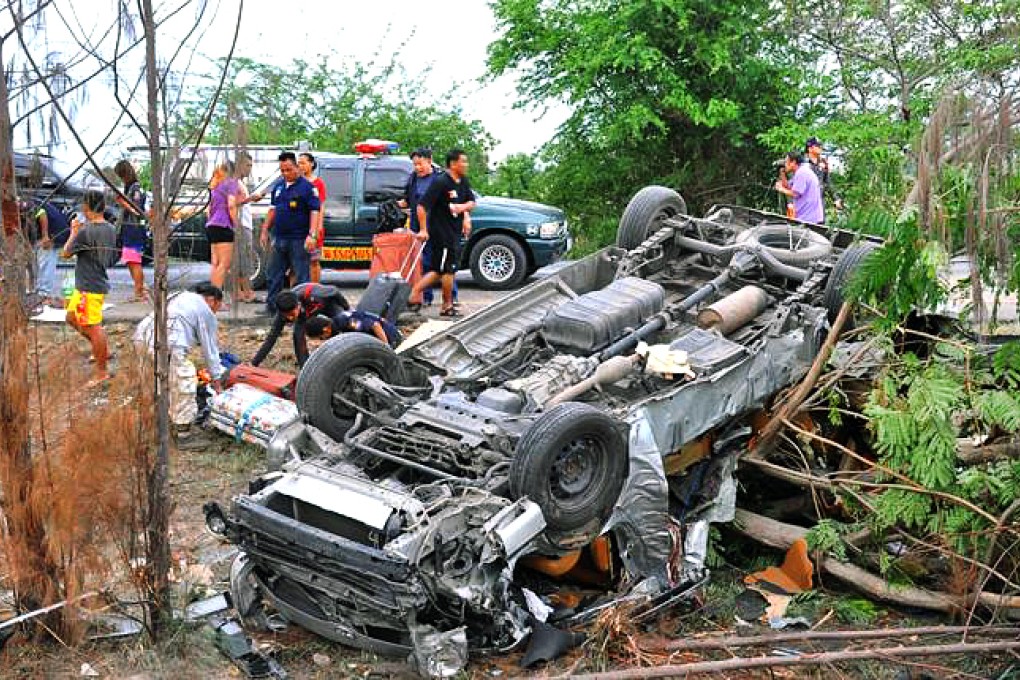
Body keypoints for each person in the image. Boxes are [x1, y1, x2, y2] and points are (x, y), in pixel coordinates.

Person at [134, 283, 226, 433]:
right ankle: (183, 432)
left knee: (153, 383)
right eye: (217, 307)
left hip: (141, 336)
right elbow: (210, 349)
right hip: (169, 343)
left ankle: (154, 424)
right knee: (183, 383)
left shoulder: (177, 296)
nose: (215, 312)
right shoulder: (204, 308)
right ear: (212, 300)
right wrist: (217, 381)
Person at [61, 190, 119, 385]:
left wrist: (74, 232)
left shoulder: (85, 231)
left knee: (92, 327)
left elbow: (66, 253)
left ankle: (101, 372)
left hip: (89, 285)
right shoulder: (110, 228)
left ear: (87, 207)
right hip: (92, 283)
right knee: (71, 317)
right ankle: (100, 349)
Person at [412, 149, 475, 317]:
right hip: (441, 232)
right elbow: (421, 206)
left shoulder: (462, 181)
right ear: (453, 164)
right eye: (463, 161)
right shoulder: (441, 182)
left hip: (454, 231)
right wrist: (424, 229)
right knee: (447, 270)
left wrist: (463, 210)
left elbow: (471, 201)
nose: (466, 165)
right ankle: (444, 305)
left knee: (442, 270)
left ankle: (414, 294)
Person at [260, 151, 321, 314]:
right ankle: (272, 308)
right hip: (279, 237)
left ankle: (303, 310)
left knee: (301, 277)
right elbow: (272, 209)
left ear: (297, 167)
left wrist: (312, 235)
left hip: (299, 239)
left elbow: (315, 211)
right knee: (274, 274)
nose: (285, 173)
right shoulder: (278, 187)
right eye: (282, 170)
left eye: (288, 169)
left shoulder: (308, 188)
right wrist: (265, 230)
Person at [400, 147, 457, 309]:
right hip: (418, 227)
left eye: (420, 164)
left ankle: (451, 297)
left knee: (444, 265)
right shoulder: (413, 179)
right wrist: (395, 204)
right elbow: (408, 201)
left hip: (439, 227)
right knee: (423, 263)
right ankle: (426, 296)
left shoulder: (441, 179)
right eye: (415, 164)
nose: (417, 168)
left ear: (430, 161)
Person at [251, 282, 350, 367]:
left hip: (328, 304)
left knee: (342, 324)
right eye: (286, 316)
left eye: (291, 314)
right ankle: (305, 366)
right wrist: (254, 363)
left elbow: (335, 291)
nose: (290, 318)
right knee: (298, 337)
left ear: (298, 305)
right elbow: (271, 338)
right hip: (305, 314)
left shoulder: (315, 295)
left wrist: (347, 310)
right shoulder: (282, 314)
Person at [113, 159, 149, 302]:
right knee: (130, 260)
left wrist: (123, 202)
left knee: (134, 261)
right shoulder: (129, 188)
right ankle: (140, 289)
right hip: (128, 228)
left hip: (133, 229)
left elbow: (137, 210)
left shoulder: (135, 189)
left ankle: (139, 292)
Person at [232, 152, 263, 303]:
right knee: (243, 259)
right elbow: (232, 204)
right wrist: (251, 198)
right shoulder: (234, 182)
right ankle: (245, 292)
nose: (249, 168)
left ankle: (240, 292)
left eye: (251, 165)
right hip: (240, 225)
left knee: (241, 259)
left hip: (244, 223)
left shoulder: (241, 183)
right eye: (247, 165)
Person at [206, 160, 241, 291]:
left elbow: (208, 209)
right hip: (224, 225)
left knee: (215, 263)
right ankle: (217, 297)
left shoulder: (215, 186)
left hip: (211, 226)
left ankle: (211, 295)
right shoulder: (231, 183)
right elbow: (231, 205)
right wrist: (236, 224)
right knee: (224, 264)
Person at [30, 198, 68, 307]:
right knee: (39, 261)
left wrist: (45, 236)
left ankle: (44, 295)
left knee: (46, 261)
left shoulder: (18, 202)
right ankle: (39, 293)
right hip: (48, 230)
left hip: (54, 231)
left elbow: (41, 213)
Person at [298, 152, 327, 284]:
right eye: (299, 163)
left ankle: (315, 288)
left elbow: (321, 205)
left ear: (311, 164)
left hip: (313, 228)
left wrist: (318, 226)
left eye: (303, 163)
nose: (301, 166)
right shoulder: (297, 182)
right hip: (299, 227)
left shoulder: (318, 183)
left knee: (314, 260)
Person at [305, 310, 400, 348]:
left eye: (322, 337)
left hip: (390, 337)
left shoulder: (345, 323)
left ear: (326, 330)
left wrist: (386, 347)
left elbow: (375, 325)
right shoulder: (336, 325)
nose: (324, 340)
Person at [774, 152, 823, 224]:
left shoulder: (802, 173)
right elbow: (788, 187)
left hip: (809, 218)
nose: (785, 164)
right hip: (807, 216)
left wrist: (781, 189)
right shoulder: (800, 171)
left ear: (793, 162)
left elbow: (796, 193)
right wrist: (782, 172)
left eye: (786, 162)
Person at [804, 137, 843, 213]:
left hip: (819, 201)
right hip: (805, 202)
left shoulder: (823, 163)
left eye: (820, 146)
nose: (820, 148)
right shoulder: (802, 163)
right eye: (817, 146)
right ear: (810, 148)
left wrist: (836, 199)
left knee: (820, 223)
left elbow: (828, 182)